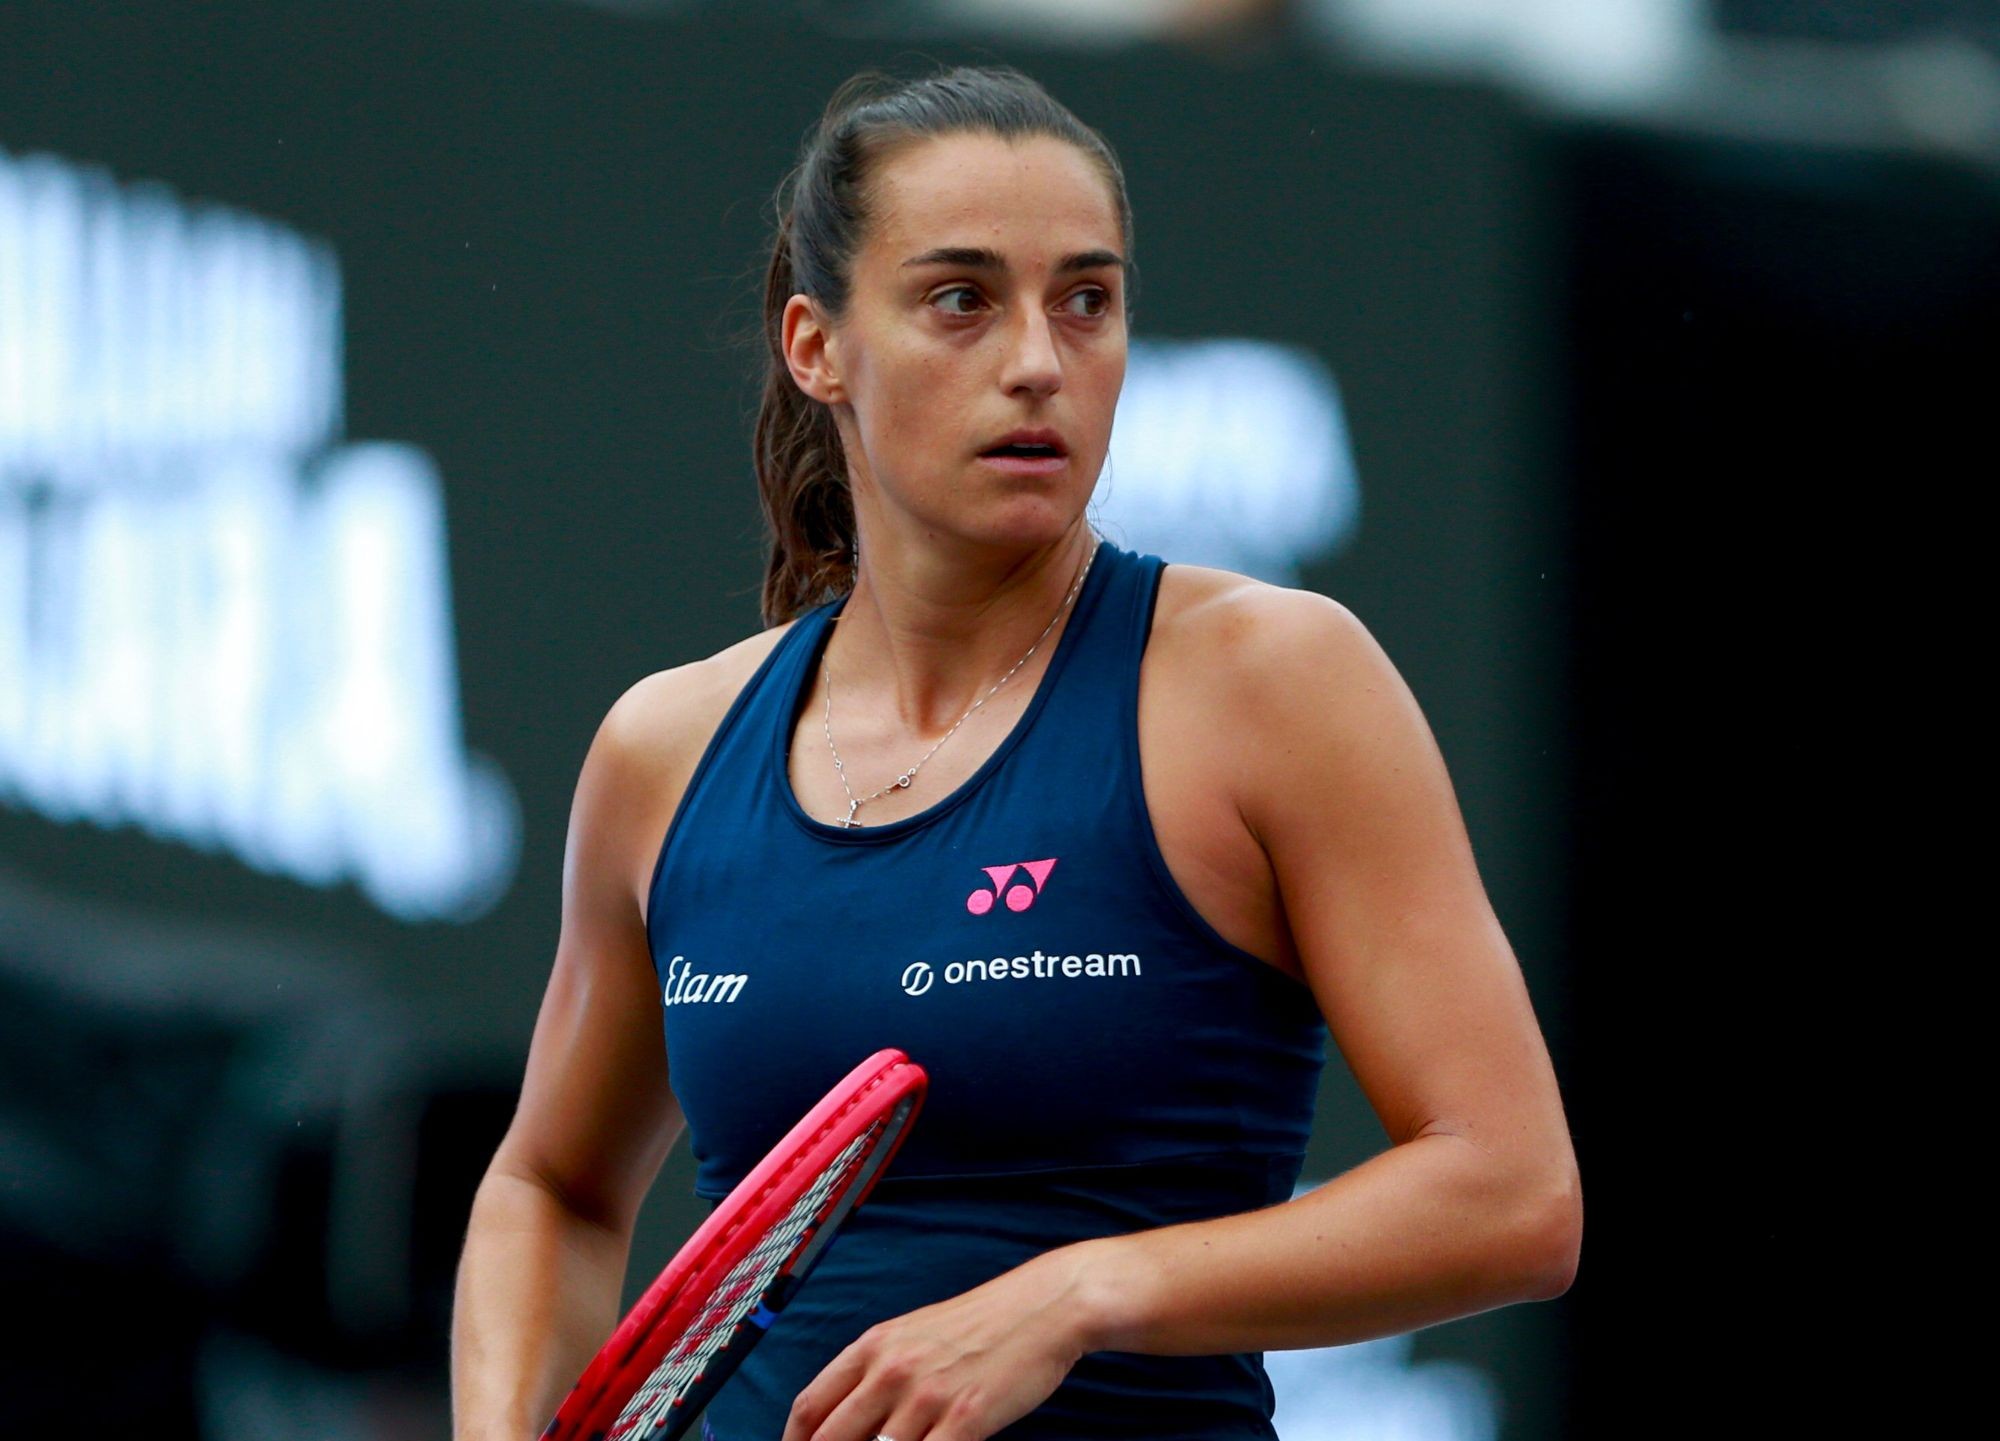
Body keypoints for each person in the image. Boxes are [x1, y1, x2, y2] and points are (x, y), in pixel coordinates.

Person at [451, 62, 1581, 1441]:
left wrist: (1075, 1294)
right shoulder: (664, 749)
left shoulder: (1273, 681)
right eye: (961, 299)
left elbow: (1513, 1195)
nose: (1040, 359)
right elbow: (552, 1189)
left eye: (1087, 300)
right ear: (817, 347)